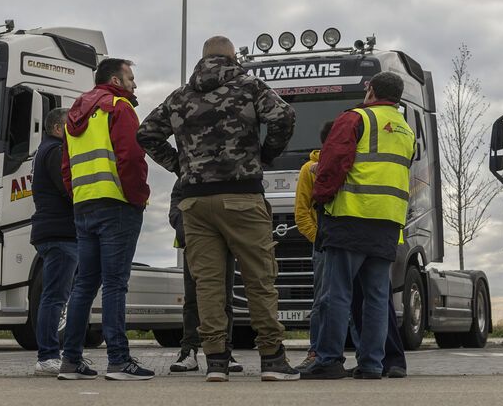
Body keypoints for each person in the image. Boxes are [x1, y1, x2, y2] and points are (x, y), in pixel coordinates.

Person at [137, 35, 300, 382]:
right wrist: (265, 155)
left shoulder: (180, 96)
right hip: (243, 197)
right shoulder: (249, 86)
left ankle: (216, 361)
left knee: (207, 284)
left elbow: (146, 133)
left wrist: (181, 165)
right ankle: (272, 359)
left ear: (203, 58)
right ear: (232, 56)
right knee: (259, 279)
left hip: (195, 200)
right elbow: (284, 116)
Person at [302, 71, 415, 380]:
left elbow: (333, 161)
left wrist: (321, 198)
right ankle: (371, 365)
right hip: (388, 221)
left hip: (351, 217)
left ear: (371, 90)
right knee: (377, 297)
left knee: (336, 294)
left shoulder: (355, 119)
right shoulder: (406, 130)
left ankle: (329, 360)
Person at [57, 58, 154, 382]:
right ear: (116, 79)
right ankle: (119, 360)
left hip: (84, 206)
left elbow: (67, 166)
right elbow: (131, 157)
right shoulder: (119, 107)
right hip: (116, 204)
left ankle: (70, 360)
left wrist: (78, 196)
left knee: (84, 284)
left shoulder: (74, 115)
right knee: (115, 283)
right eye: (131, 78)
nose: (135, 85)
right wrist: (138, 197)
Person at [167, 180, 243, 374]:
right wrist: (190, 234)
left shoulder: (226, 173)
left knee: (225, 299)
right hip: (194, 244)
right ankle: (188, 352)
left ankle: (225, 350)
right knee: (192, 300)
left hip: (224, 245)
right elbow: (176, 210)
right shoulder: (185, 177)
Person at [29, 107, 78, 376]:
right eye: (71, 125)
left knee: (56, 296)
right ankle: (47, 356)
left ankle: (58, 354)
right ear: (59, 128)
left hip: (51, 232)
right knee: (55, 297)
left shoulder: (42, 151)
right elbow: (68, 189)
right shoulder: (56, 151)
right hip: (60, 234)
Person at [293, 120, 332, 370]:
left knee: (353, 302)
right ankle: (315, 352)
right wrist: (317, 237)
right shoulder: (309, 169)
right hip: (324, 246)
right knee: (322, 301)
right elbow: (301, 212)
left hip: (349, 242)